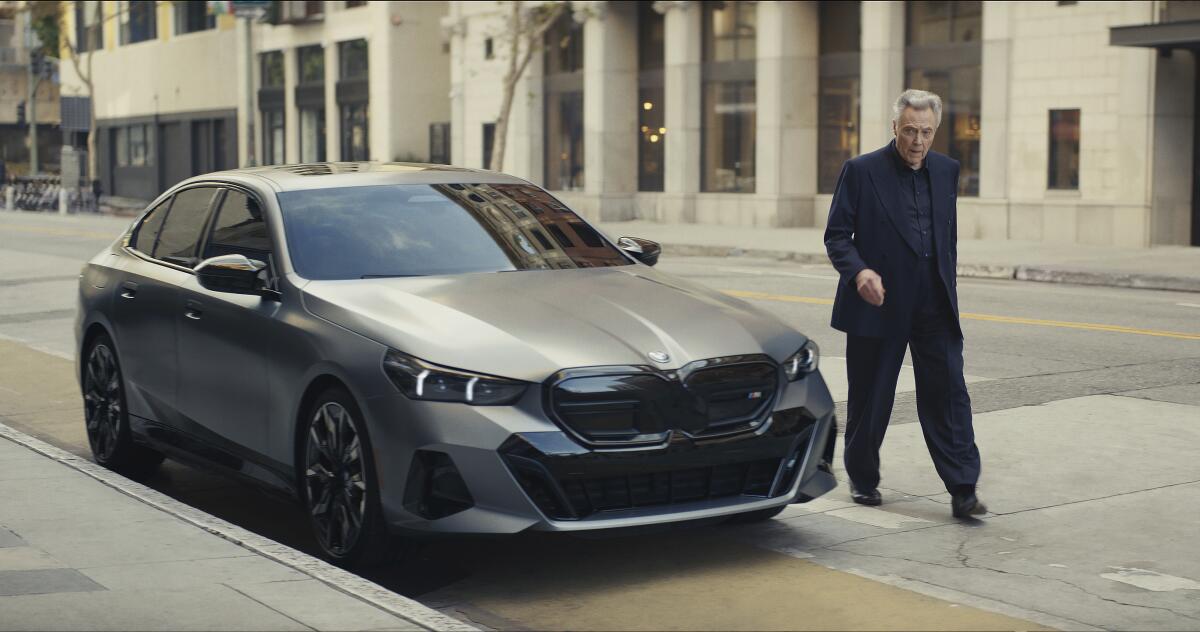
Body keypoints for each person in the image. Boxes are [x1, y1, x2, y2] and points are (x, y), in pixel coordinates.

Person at [823, 89, 986, 519]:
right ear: (895, 127)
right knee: (871, 397)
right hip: (877, 303)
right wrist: (859, 272)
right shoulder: (861, 171)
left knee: (949, 392)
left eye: (926, 132)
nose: (918, 141)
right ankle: (863, 477)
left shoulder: (947, 171)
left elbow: (944, 239)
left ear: (936, 131)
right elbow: (837, 235)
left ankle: (963, 487)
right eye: (910, 131)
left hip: (933, 301)